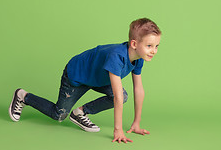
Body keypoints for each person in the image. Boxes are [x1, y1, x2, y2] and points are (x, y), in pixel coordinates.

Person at [9, 18, 161, 143]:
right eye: (149, 46)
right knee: (59, 115)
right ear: (134, 44)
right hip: (78, 75)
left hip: (99, 78)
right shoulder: (117, 57)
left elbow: (138, 89)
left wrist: (136, 122)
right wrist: (118, 130)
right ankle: (23, 96)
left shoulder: (139, 58)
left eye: (156, 46)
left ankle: (80, 113)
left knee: (124, 95)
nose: (154, 51)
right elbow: (118, 97)